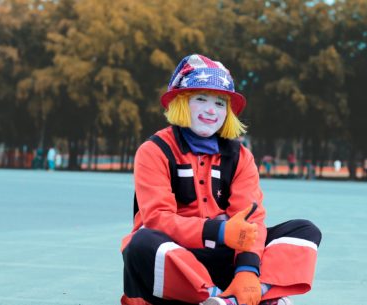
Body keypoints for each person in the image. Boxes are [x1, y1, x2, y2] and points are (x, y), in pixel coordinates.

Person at [121, 54, 321, 305]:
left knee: (304, 231)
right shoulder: (154, 150)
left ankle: (249, 294)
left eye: (220, 103)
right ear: (181, 103)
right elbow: (158, 220)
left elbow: (251, 220)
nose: (210, 110)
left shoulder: (241, 157)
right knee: (141, 242)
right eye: (201, 99)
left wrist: (247, 269)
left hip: (228, 260)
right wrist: (220, 231)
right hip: (180, 263)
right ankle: (214, 296)